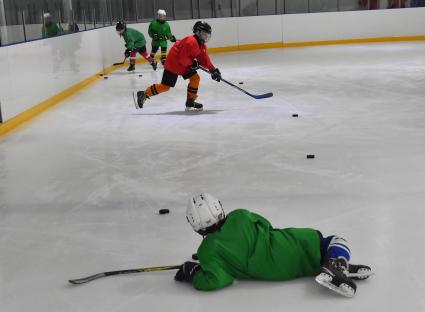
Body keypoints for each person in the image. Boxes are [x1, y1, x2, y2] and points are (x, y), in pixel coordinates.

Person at [174, 193, 374, 297]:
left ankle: (333, 266)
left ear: (196, 226)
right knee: (334, 240)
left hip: (277, 272)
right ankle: (336, 264)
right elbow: (265, 224)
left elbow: (218, 279)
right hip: (290, 244)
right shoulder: (240, 215)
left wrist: (193, 273)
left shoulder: (207, 251)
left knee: (308, 260)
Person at [135, 21, 221, 111]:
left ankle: (190, 101)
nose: (206, 37)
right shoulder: (191, 41)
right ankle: (144, 94)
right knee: (165, 86)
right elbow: (182, 58)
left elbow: (204, 59)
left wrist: (213, 70)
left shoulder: (201, 45)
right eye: (204, 34)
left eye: (207, 35)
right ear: (198, 32)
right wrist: (192, 64)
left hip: (184, 65)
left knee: (195, 78)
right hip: (173, 64)